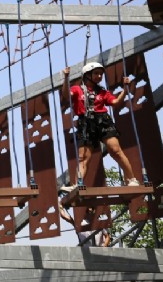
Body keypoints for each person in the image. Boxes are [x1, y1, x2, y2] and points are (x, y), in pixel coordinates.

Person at [60, 62, 140, 192]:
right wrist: (65, 78)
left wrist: (125, 90)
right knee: (83, 157)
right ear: (87, 75)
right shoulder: (77, 89)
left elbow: (114, 102)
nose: (99, 76)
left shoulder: (102, 92)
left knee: (115, 150)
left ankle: (132, 179)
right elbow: (66, 95)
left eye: (101, 74)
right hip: (85, 123)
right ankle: (77, 185)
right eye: (96, 73)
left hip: (102, 120)